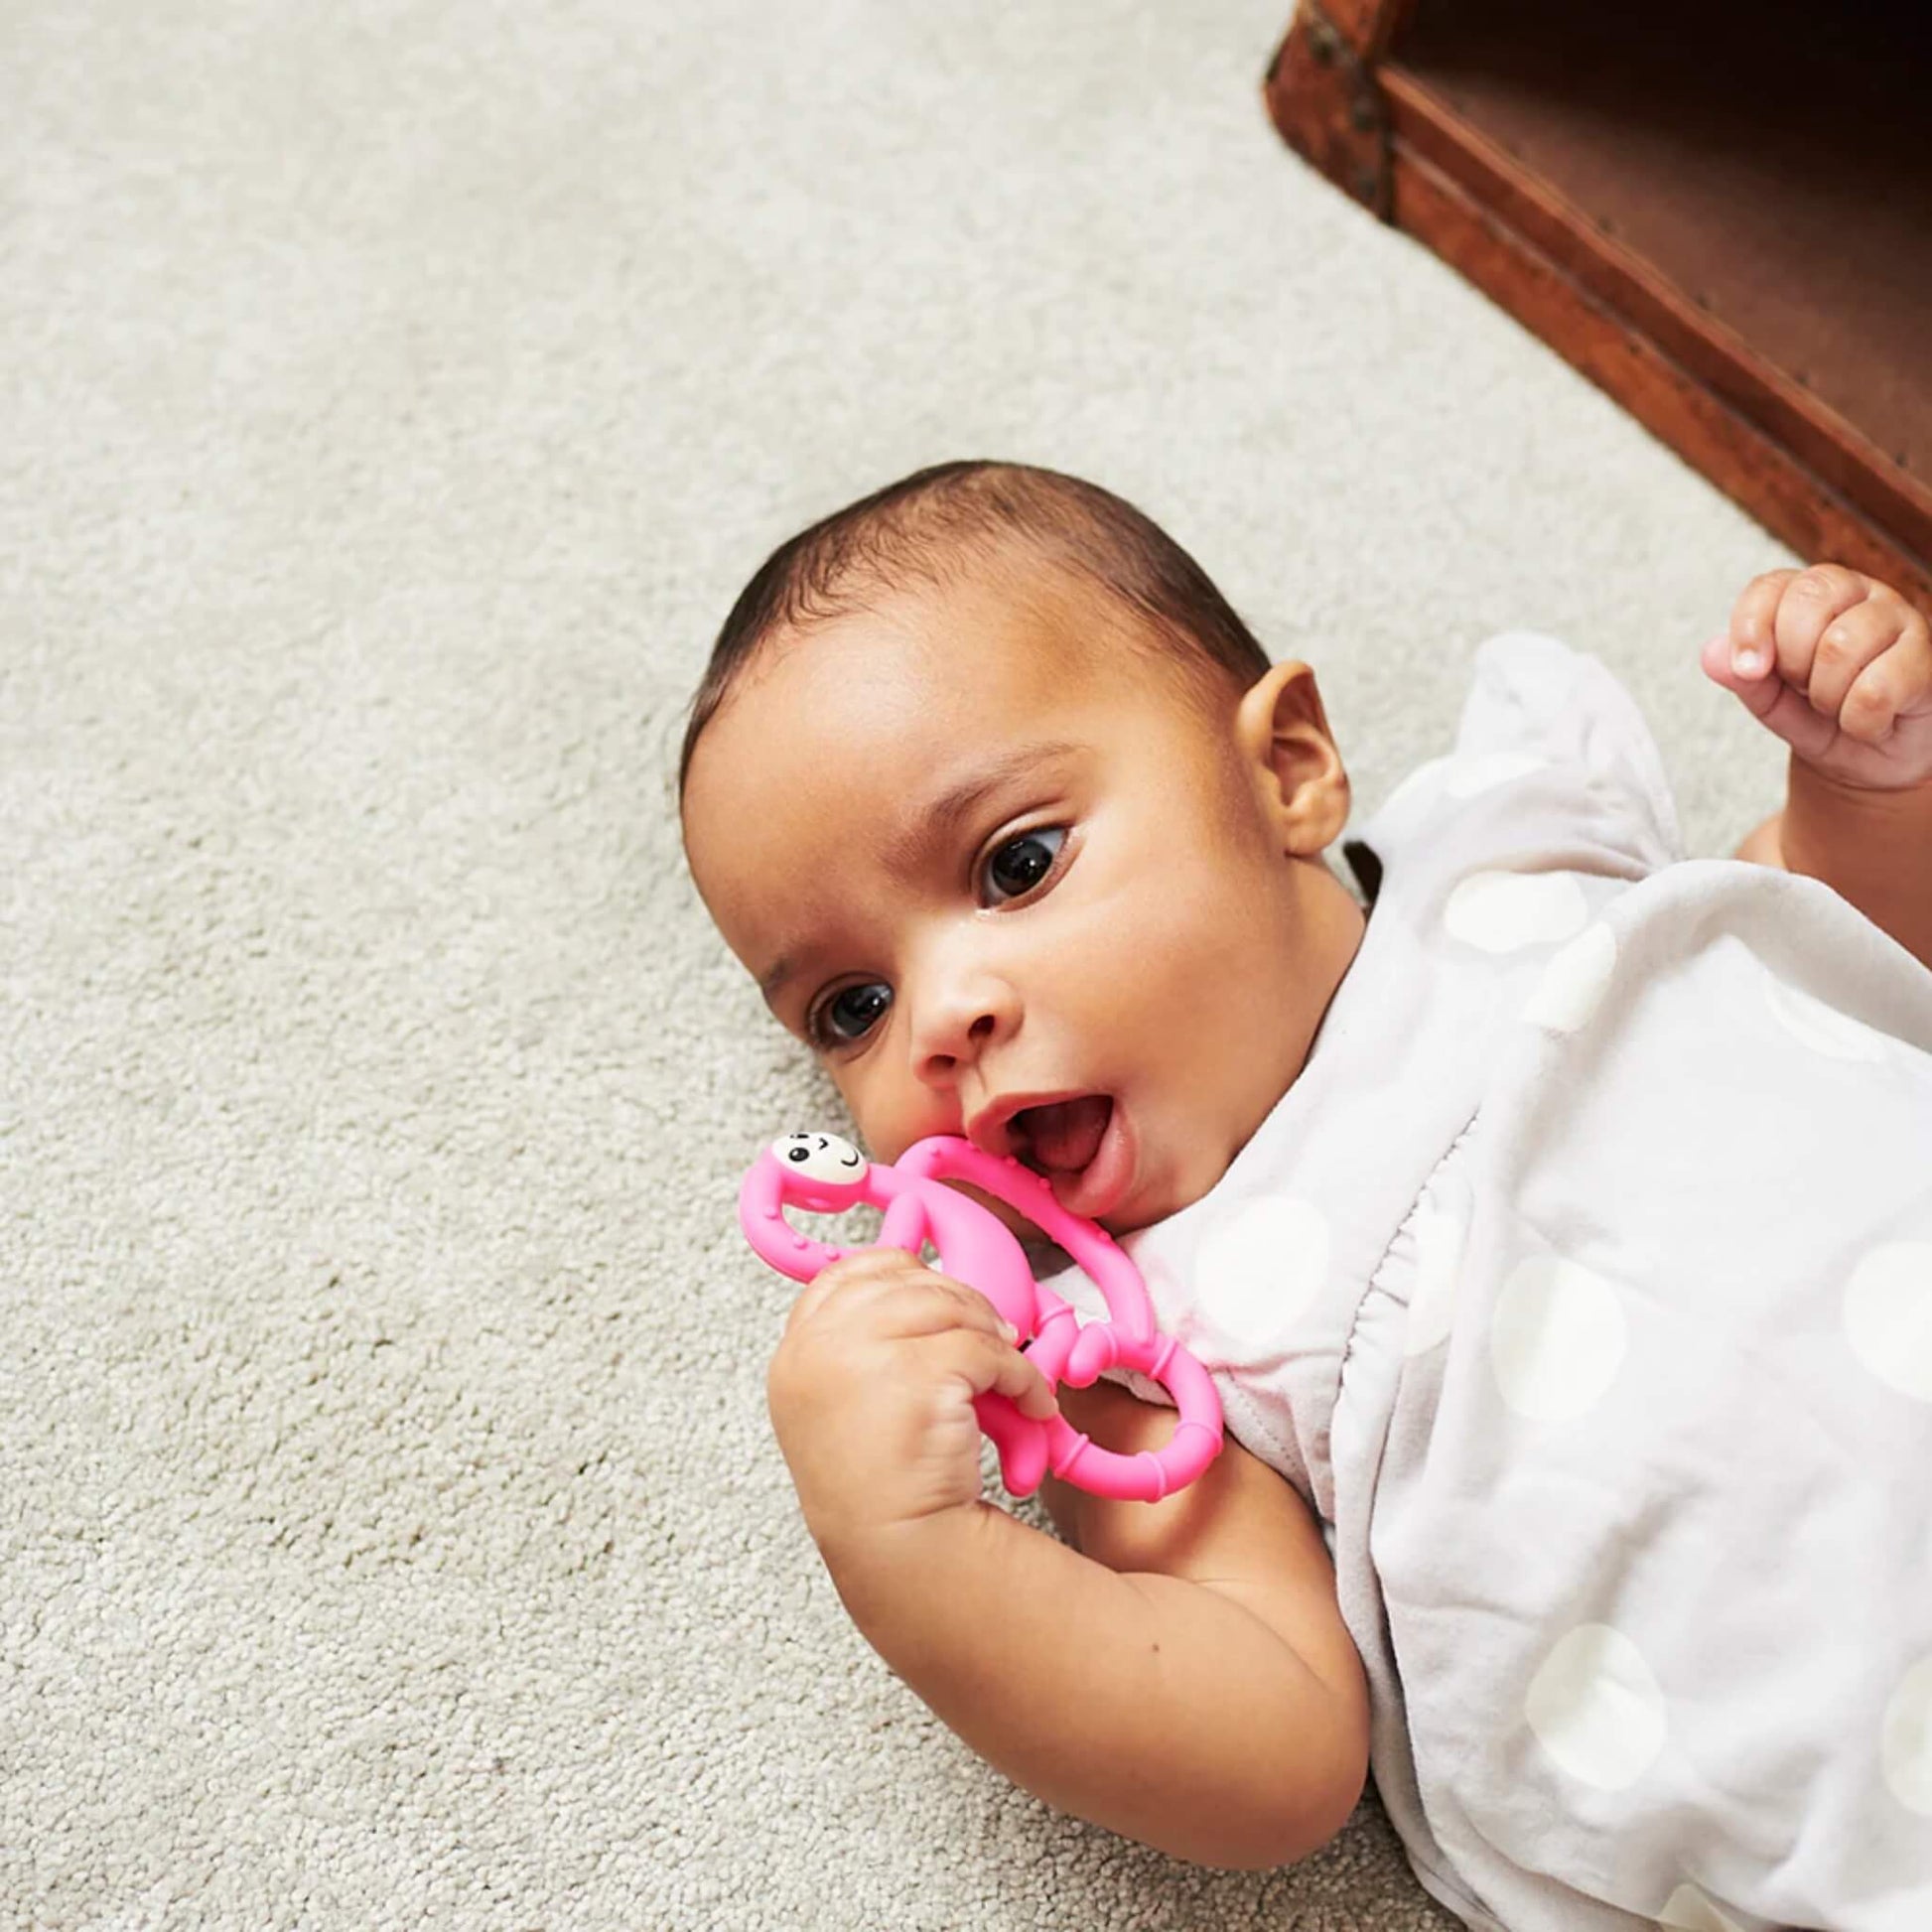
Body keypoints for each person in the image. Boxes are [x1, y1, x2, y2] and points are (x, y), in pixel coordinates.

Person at [676, 460, 1932, 1931]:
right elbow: (1272, 1752)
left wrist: (1862, 788)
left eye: (1016, 864)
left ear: (1284, 773)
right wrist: (913, 1555)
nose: (939, 1017)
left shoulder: (1511, 847)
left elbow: (1827, 961)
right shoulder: (1144, 1356)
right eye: (849, 1007)